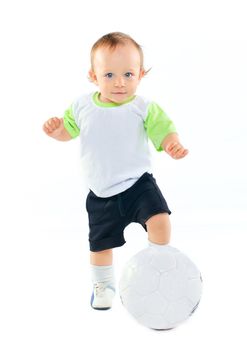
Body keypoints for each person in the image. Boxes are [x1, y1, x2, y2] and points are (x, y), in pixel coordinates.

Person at [43, 32, 189, 310]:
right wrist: (57, 130)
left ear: (141, 75)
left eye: (128, 74)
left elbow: (164, 130)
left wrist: (173, 145)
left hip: (138, 184)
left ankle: (156, 266)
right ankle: (104, 286)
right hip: (101, 193)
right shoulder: (81, 106)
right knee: (100, 245)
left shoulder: (143, 107)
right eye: (109, 74)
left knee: (160, 220)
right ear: (92, 75)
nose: (119, 82)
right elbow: (68, 132)